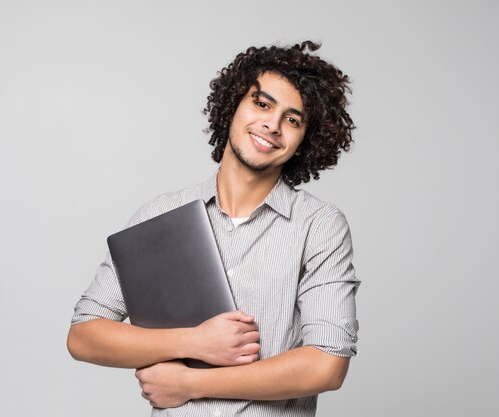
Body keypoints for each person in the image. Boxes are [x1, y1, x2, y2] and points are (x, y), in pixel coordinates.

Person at [67, 40, 360, 417]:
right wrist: (195, 342)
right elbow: (84, 335)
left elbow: (326, 364)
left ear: (306, 140)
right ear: (233, 105)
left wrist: (191, 383)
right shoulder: (159, 214)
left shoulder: (320, 227)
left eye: (293, 119)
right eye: (262, 103)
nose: (272, 124)